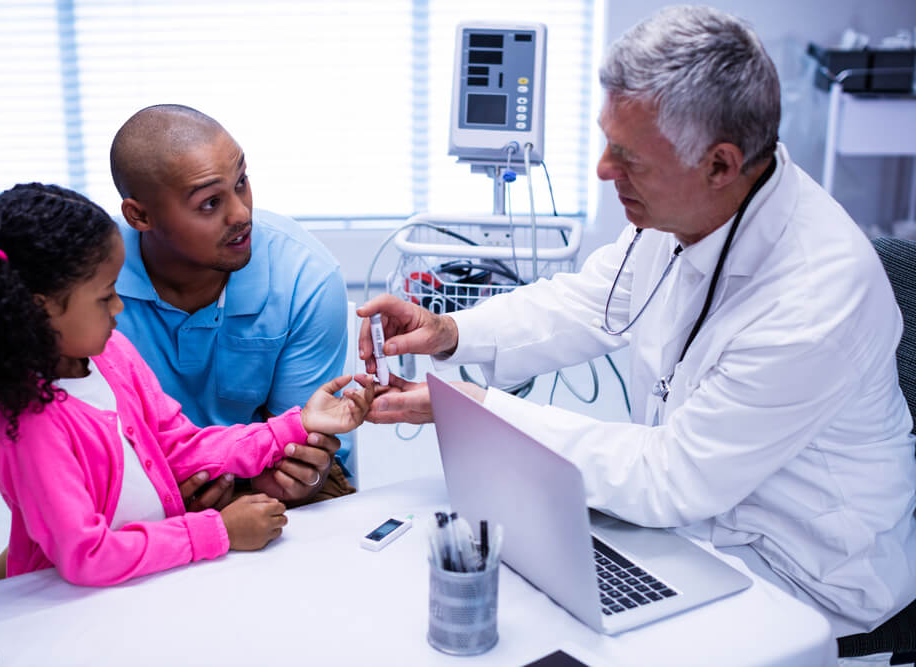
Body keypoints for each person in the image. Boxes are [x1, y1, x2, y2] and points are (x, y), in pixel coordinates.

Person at [358, 5, 916, 637]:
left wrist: (479, 408)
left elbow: (670, 476)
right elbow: (593, 298)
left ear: (720, 164)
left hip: (802, 568)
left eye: (629, 158)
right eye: (605, 142)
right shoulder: (683, 212)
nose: (602, 169)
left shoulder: (815, 298)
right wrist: (454, 331)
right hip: (697, 521)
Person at [0, 183, 373, 586]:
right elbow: (88, 556)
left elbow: (179, 446)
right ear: (41, 310)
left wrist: (293, 427)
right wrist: (218, 532)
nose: (119, 307)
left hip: (152, 572)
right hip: (65, 605)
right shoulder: (29, 427)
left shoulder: (110, 355)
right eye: (104, 296)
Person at [109, 104, 353, 508]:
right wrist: (169, 493)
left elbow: (305, 441)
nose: (242, 215)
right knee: (31, 568)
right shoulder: (91, 285)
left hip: (267, 473)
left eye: (241, 182)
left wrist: (303, 475)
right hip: (142, 477)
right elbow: (84, 441)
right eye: (209, 203)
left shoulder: (306, 279)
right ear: (140, 216)